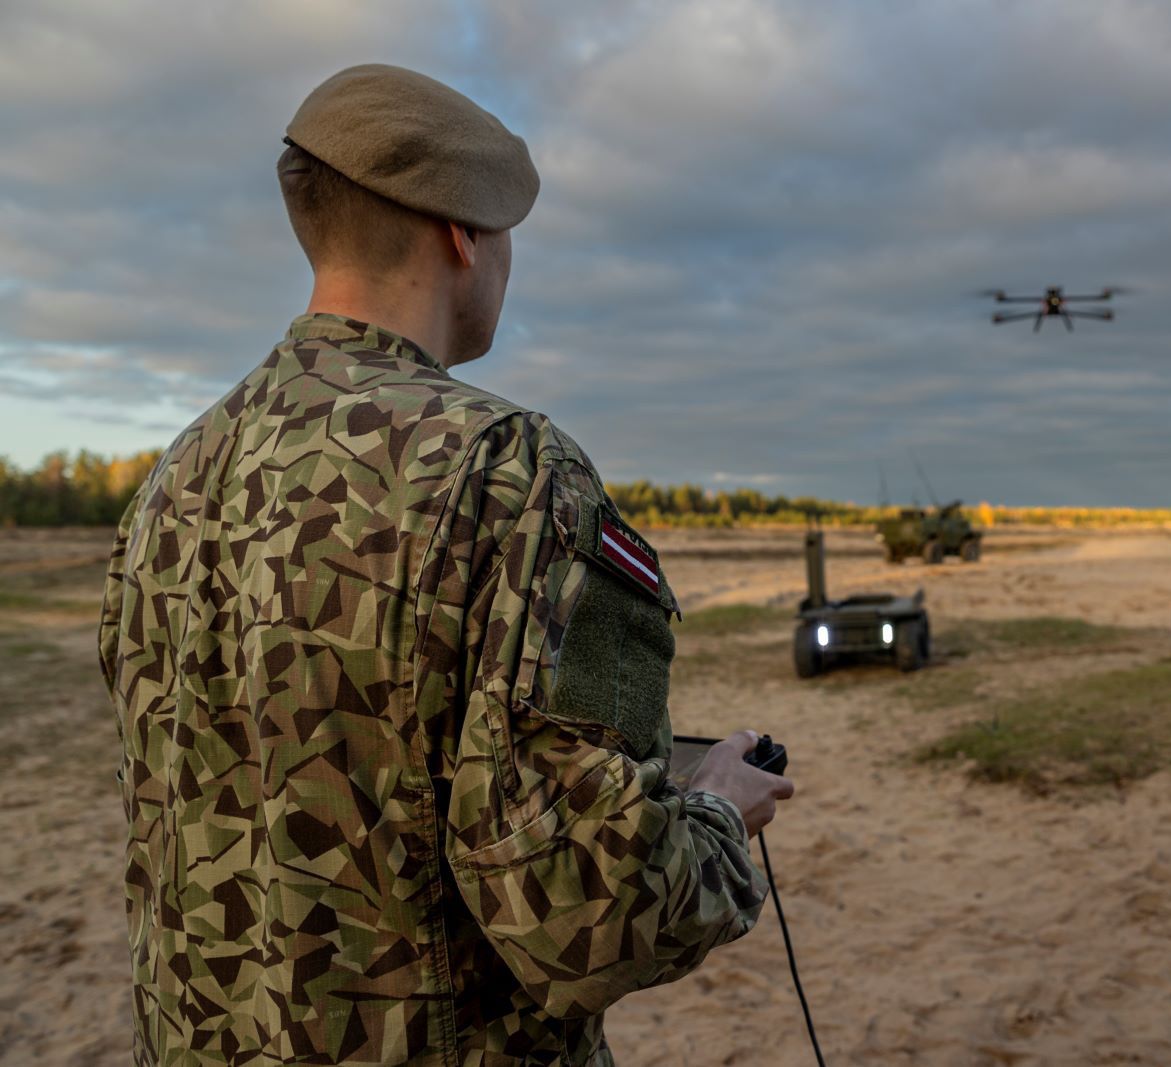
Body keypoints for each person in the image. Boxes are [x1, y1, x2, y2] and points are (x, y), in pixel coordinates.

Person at [98, 63, 793, 1066]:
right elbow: (591, 916)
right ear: (463, 234)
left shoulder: (176, 473)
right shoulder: (505, 467)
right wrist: (721, 805)